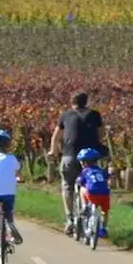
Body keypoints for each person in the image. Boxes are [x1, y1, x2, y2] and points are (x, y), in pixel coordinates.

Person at [50, 92, 106, 220]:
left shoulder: (65, 115)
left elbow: (56, 137)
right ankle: (88, 209)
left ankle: (69, 218)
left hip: (69, 155)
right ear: (86, 102)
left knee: (67, 185)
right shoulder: (95, 115)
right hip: (90, 157)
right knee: (89, 183)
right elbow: (101, 134)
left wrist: (53, 151)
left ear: (72, 102)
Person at [74, 148, 112, 238]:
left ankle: (84, 206)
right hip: (105, 195)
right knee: (104, 211)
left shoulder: (85, 171)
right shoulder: (101, 171)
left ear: (84, 162)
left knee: (82, 189)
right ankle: (103, 229)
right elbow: (108, 176)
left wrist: (78, 181)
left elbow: (80, 181)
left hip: (92, 194)